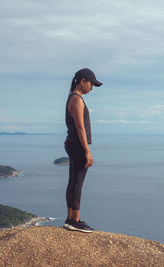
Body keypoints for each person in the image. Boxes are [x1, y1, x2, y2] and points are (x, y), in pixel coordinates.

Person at [63, 68, 102, 233]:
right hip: (78, 145)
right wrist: (87, 151)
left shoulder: (71, 98)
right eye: (91, 84)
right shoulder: (77, 100)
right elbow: (80, 127)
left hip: (72, 143)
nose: (91, 88)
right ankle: (75, 221)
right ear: (82, 81)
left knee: (72, 181)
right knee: (77, 183)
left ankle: (70, 218)